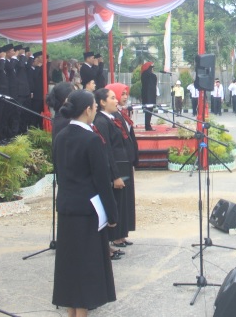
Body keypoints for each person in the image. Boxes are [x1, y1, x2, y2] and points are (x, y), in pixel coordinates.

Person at [52, 90, 118, 316]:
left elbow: (59, 173)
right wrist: (112, 214)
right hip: (89, 211)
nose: (96, 111)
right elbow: (102, 181)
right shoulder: (91, 139)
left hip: (67, 206)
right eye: (94, 107)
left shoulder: (61, 135)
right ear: (87, 110)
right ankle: (81, 312)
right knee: (86, 264)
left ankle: (71, 310)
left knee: (69, 263)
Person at [92, 88, 129, 258]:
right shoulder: (101, 121)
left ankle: (114, 240)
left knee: (119, 205)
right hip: (113, 170)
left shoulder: (111, 118)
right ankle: (107, 244)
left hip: (121, 166)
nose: (116, 101)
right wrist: (115, 175)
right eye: (112, 98)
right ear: (102, 102)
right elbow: (107, 150)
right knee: (111, 207)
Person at [106, 83, 138, 249]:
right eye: (122, 94)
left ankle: (122, 234)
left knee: (126, 200)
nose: (125, 97)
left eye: (126, 94)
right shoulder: (110, 118)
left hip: (126, 162)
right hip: (119, 163)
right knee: (119, 200)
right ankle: (116, 236)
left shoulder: (120, 114)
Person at [140, 62, 157, 131]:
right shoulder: (152, 76)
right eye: (152, 68)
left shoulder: (143, 75)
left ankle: (147, 125)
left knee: (147, 111)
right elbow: (153, 86)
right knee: (149, 111)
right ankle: (148, 126)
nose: (153, 69)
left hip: (145, 95)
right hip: (150, 96)